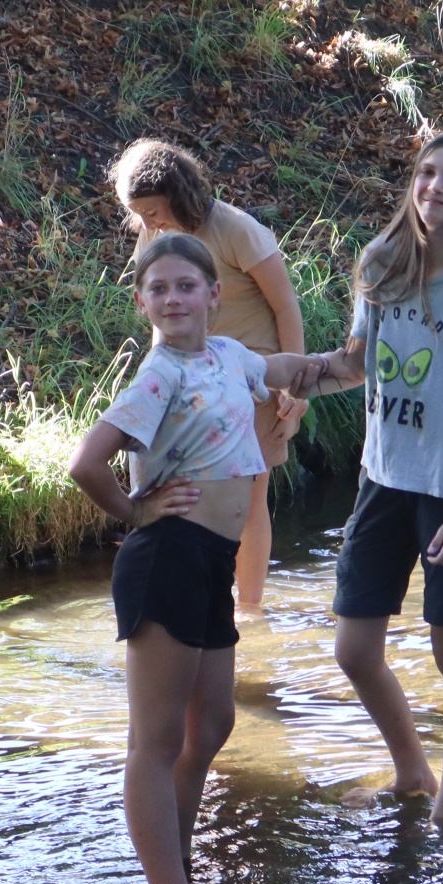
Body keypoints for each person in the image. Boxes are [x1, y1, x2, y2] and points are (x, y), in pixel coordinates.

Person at [68, 234, 325, 884]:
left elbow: (284, 368)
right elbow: (86, 463)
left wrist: (342, 364)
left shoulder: (228, 355)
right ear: (141, 301)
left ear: (214, 294)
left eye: (186, 286)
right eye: (159, 288)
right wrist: (134, 511)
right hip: (169, 555)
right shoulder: (160, 376)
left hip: (211, 560)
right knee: (155, 741)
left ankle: (178, 857)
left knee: (212, 723)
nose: (173, 298)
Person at [294, 130, 443, 818]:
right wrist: (284, 377)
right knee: (353, 649)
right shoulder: (381, 261)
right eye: (427, 173)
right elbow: (355, 364)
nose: (435, 187)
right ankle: (412, 772)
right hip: (382, 480)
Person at [115, 140, 308, 614]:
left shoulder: (236, 229)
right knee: (189, 497)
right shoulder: (153, 236)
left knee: (250, 497)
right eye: (137, 214)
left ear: (178, 195)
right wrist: (156, 383)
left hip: (254, 382)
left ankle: (250, 610)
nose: (146, 223)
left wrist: (296, 388)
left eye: (152, 211)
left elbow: (286, 306)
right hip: (187, 387)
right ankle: (206, 600)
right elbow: (160, 318)